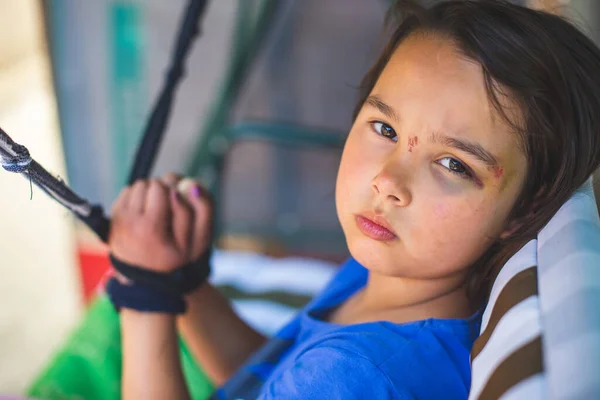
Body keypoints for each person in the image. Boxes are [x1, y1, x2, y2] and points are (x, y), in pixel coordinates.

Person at [107, 1, 600, 398]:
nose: (389, 181)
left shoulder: (357, 376)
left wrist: (143, 296)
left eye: (454, 164)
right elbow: (262, 376)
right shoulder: (385, 277)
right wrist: (185, 282)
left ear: (524, 211)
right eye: (385, 128)